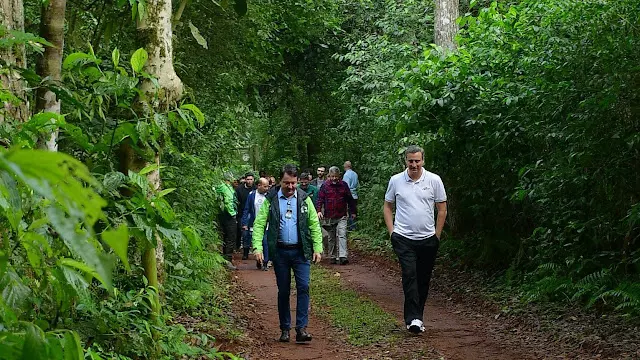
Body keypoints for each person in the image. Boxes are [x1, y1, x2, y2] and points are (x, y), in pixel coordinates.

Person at [252, 164, 323, 343]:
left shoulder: (304, 199)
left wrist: (317, 247)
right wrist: (257, 248)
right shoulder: (271, 199)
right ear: (280, 182)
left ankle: (301, 329)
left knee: (304, 287)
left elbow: (314, 224)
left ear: (297, 182)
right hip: (280, 253)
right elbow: (260, 224)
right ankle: (285, 329)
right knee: (283, 291)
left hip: (301, 252)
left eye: (293, 183)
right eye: (286, 183)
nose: (290, 187)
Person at [383, 145, 447, 334]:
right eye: (410, 161)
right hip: (403, 238)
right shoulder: (396, 181)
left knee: (423, 278)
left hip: (428, 238)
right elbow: (387, 206)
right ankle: (412, 319)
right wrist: (392, 232)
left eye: (417, 161)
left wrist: (437, 235)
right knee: (409, 275)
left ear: (423, 161)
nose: (414, 165)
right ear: (406, 161)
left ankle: (418, 316)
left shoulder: (434, 180)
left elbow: (442, 209)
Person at [316, 166, 357, 265]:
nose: (334, 178)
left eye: (336, 176)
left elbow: (350, 199)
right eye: (332, 176)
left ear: (339, 175)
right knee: (331, 236)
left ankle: (343, 256)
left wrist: (353, 212)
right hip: (329, 215)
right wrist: (318, 210)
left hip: (341, 215)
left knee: (342, 234)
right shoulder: (325, 186)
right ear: (329, 176)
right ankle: (333, 256)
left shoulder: (344, 185)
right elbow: (320, 199)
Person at [241, 178, 271, 270]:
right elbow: (247, 209)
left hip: (267, 224)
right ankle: (259, 260)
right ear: (259, 186)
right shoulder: (252, 195)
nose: (267, 188)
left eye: (268, 186)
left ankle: (265, 262)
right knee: (257, 242)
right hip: (255, 223)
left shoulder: (270, 196)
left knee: (265, 242)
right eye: (265, 186)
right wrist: (245, 222)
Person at [216, 172, 238, 270]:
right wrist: (233, 214)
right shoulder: (225, 188)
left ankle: (225, 259)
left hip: (224, 215)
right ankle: (227, 260)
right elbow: (228, 202)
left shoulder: (224, 187)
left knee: (226, 237)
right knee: (231, 237)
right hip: (228, 216)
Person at [236, 172, 256, 258]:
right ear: (245, 180)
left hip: (254, 214)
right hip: (242, 214)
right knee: (244, 233)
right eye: (248, 179)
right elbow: (236, 202)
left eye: (251, 179)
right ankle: (245, 252)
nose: (249, 181)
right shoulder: (239, 189)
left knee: (254, 233)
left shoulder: (256, 189)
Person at [342, 161, 359, 230]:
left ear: (345, 166)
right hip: (355, 195)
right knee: (354, 212)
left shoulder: (346, 175)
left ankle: (351, 228)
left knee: (349, 212)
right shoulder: (355, 174)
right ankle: (354, 227)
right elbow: (358, 185)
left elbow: (346, 187)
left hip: (349, 196)